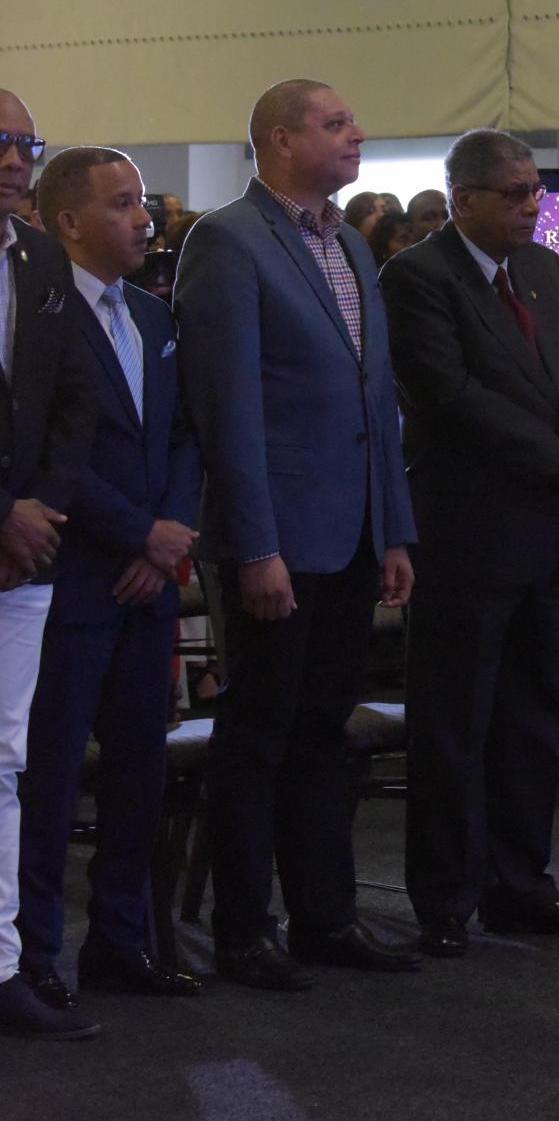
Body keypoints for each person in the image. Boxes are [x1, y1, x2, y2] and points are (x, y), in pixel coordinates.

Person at [174, 78, 418, 989]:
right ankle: (244, 930)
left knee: (326, 734)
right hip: (275, 540)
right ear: (280, 139)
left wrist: (393, 529)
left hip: (352, 534)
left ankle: (326, 916)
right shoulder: (228, 241)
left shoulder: (349, 243)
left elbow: (375, 403)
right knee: (258, 736)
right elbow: (227, 408)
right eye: (336, 123)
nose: (359, 133)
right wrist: (254, 546)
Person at [380, 129, 559, 957]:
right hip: (469, 532)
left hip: (550, 534)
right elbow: (448, 395)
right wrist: (557, 454)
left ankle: (522, 885)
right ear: (463, 199)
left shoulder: (543, 268)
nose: (531, 204)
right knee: (455, 726)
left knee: (532, 725)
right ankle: (444, 900)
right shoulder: (416, 277)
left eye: (535, 189)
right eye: (513, 192)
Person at [16, 147, 204, 1014]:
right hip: (74, 577)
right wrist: (137, 532)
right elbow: (56, 450)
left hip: (149, 579)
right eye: (122, 204)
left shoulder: (153, 315)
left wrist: (166, 540)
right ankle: (36, 952)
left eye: (143, 203)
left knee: (140, 770)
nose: (144, 218)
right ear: (68, 221)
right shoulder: (42, 314)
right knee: (49, 776)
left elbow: (183, 438)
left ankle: (121, 941)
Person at [0, 94, 101, 1041]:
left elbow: (74, 401)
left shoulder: (36, 256)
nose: (16, 159)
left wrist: (36, 513)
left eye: (24, 143)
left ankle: (0, 965)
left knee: (5, 757)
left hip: (24, 554)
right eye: (0, 142)